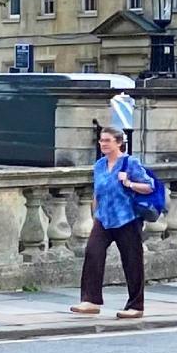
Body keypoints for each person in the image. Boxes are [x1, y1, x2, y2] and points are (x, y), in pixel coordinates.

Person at [70, 127, 154, 319]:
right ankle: (90, 301)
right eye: (101, 140)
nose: (103, 144)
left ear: (119, 143)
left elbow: (149, 186)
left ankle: (136, 305)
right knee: (93, 253)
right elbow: (97, 192)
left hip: (127, 218)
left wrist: (129, 183)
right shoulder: (99, 165)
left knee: (132, 261)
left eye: (107, 140)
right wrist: (95, 215)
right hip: (103, 218)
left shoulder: (130, 163)